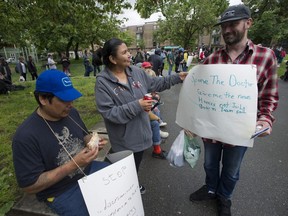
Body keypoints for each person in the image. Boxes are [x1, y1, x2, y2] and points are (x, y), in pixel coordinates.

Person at [189, 5, 279, 216]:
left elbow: (269, 96)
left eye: (233, 24)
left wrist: (265, 120)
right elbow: (199, 96)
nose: (227, 30)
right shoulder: (211, 60)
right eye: (224, 26)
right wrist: (190, 120)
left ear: (248, 23)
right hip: (211, 131)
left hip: (240, 132)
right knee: (209, 164)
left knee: (231, 171)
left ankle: (224, 197)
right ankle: (211, 189)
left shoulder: (266, 57)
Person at [95, 38, 188, 194]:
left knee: (135, 167)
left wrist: (178, 77)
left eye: (128, 51)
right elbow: (109, 113)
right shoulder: (103, 83)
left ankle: (132, 185)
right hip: (123, 141)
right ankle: (125, 195)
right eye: (124, 52)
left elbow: (156, 83)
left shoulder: (135, 72)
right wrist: (137, 105)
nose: (129, 55)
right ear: (112, 58)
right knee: (124, 171)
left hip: (141, 135)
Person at [12, 69, 110, 216]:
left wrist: (93, 141)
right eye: (64, 99)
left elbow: (84, 135)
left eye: (72, 97)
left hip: (88, 170)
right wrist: (73, 164)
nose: (71, 103)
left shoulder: (71, 113)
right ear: (43, 99)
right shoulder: (25, 137)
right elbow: (30, 186)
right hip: (62, 190)